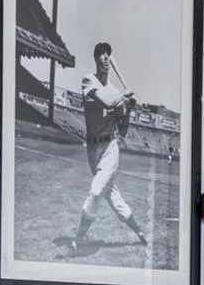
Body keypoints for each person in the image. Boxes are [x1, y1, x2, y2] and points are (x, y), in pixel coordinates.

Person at [58, 42, 151, 255]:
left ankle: (77, 240)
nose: (106, 57)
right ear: (96, 59)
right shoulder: (88, 81)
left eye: (109, 54)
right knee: (112, 196)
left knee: (96, 190)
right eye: (102, 54)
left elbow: (124, 130)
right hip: (93, 150)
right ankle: (139, 233)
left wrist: (128, 110)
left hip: (109, 148)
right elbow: (107, 102)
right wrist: (124, 97)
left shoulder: (116, 91)